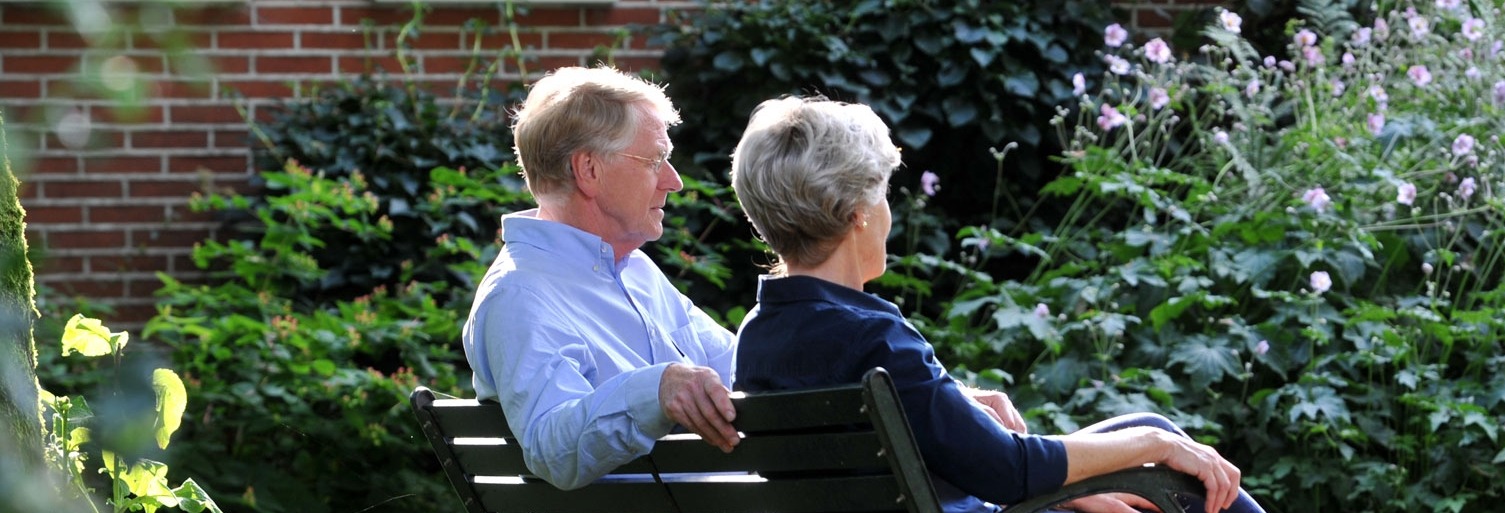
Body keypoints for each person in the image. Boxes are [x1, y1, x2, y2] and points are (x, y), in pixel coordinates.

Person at [728, 96, 1266, 513]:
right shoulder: (874, 339)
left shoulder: (760, 336)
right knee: (1157, 434)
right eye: (884, 192)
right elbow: (1007, 469)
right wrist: (1151, 445)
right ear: (858, 212)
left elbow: (934, 463)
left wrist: (1071, 487)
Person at [463, 66, 739, 491]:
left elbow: (739, 371)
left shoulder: (637, 270)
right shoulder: (519, 294)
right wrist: (656, 391)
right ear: (589, 170)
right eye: (655, 161)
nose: (674, 181)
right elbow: (551, 446)